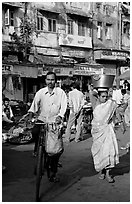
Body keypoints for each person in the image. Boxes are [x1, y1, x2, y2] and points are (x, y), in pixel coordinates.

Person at [28, 71, 67, 182]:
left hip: (54, 122)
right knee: (35, 131)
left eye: (52, 80)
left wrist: (60, 116)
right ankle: (37, 149)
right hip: (42, 119)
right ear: (45, 81)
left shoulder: (60, 93)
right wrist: (31, 116)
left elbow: (64, 107)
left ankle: (53, 173)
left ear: (56, 81)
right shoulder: (41, 92)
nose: (50, 82)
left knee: (56, 151)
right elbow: (33, 106)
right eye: (48, 79)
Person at [91, 89, 119, 183]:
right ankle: (101, 171)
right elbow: (96, 120)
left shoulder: (109, 105)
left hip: (107, 131)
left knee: (108, 151)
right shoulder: (97, 106)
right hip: (98, 132)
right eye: (102, 96)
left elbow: (114, 111)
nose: (105, 98)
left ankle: (108, 173)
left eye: (106, 97)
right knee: (100, 152)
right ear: (98, 97)